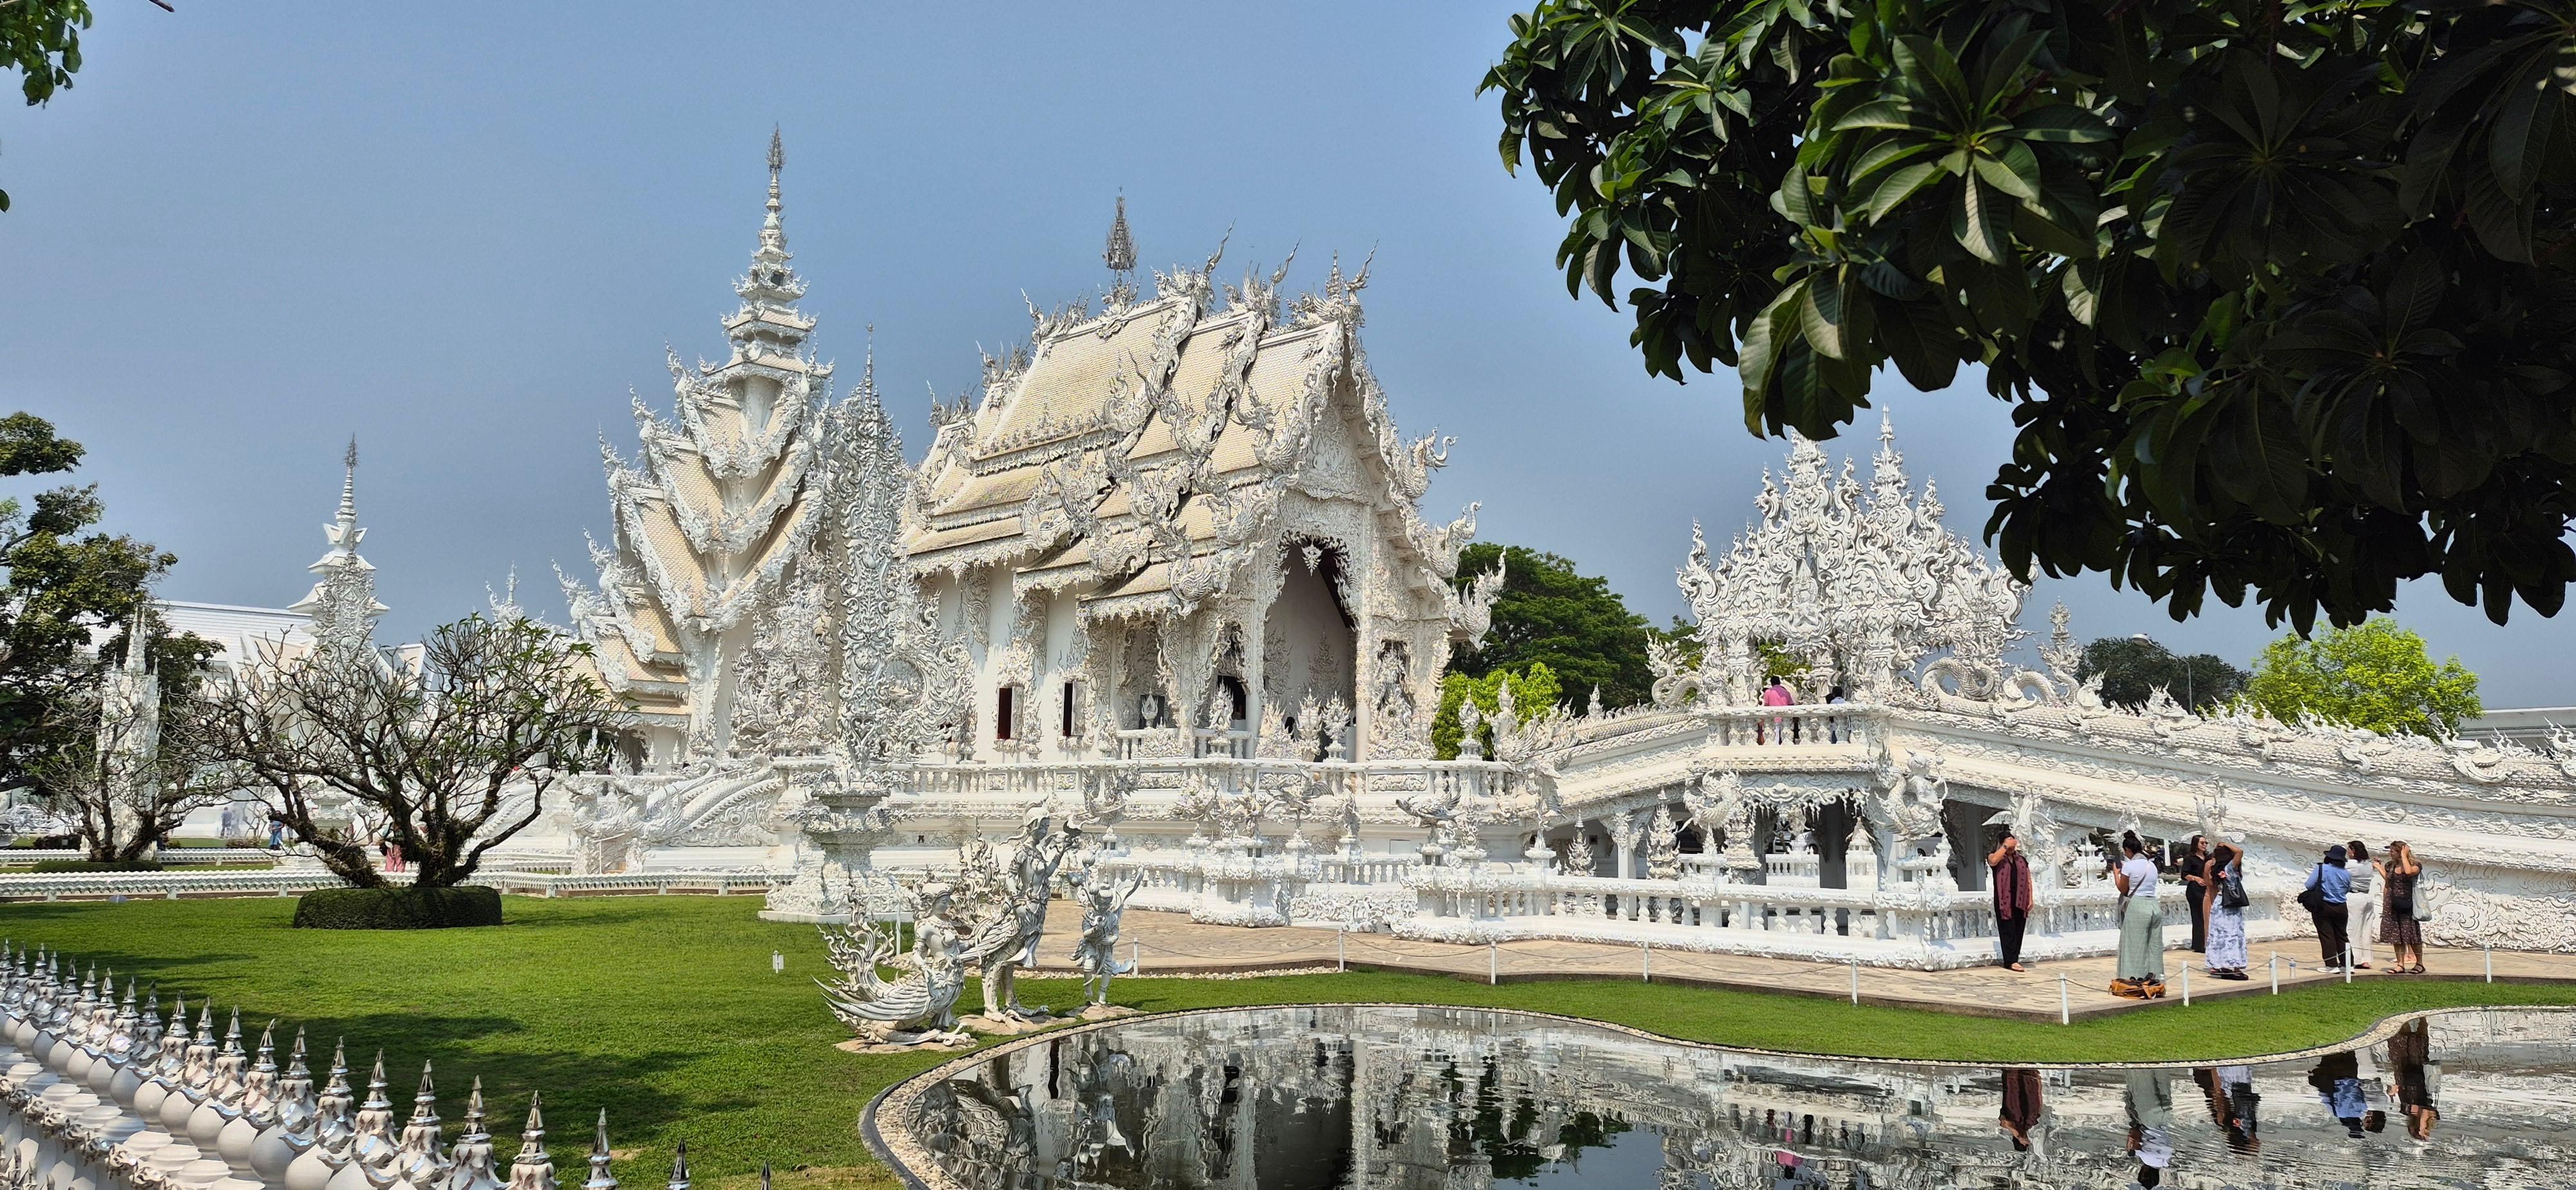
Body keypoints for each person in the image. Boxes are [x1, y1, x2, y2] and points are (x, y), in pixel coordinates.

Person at [2112, 830, 2166, 997]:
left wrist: (2116, 874)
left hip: (2138, 905)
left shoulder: (2129, 866)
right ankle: (2155, 977)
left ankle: (2133, 979)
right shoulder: (2152, 865)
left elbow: (2123, 888)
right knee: (2154, 944)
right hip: (2154, 905)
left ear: (2128, 851)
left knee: (2134, 945)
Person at [2387, 1015, 2439, 1138]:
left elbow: (2399, 1087)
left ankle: (2401, 1014)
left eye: (2424, 1131)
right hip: (2420, 1068)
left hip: (2404, 1064)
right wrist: (2427, 1118)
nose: (2428, 1129)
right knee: (2421, 1039)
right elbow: (2431, 1107)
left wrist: (2393, 1089)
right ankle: (2422, 1013)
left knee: (2402, 1036)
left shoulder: (2407, 1109)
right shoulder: (2429, 1116)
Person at [1989, 831, 2034, 972]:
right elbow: (1993, 861)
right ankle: (2010, 961)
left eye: (2013, 841)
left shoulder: (2021, 860)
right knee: (2007, 929)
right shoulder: (1996, 857)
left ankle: (2016, 958)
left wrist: (2031, 897)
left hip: (2020, 898)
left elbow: (2028, 879)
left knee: (2019, 928)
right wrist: (2004, 847)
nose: (2012, 845)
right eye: (2009, 842)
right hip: (2004, 900)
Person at [2303, 844, 2353, 970]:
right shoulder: (2347, 873)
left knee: (2327, 936)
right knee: (2342, 935)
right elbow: (2347, 889)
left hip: (2324, 905)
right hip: (2341, 906)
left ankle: (2331, 965)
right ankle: (2348, 964)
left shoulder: (2322, 868)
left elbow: (2309, 885)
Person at [2204, 842, 2250, 979]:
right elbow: (2240, 851)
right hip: (2231, 905)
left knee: (2219, 935)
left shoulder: (2215, 869)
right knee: (2232, 935)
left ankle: (2220, 965)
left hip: (2219, 903)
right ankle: (2234, 967)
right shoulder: (2229, 868)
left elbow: (2211, 885)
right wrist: (2226, 844)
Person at [2381, 840, 2427, 974]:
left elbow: (2408, 872)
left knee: (2412, 934)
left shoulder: (2415, 865)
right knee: (2396, 935)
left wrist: (2404, 856)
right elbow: (2388, 883)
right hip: (2393, 902)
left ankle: (2419, 963)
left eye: (2393, 851)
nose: (2390, 853)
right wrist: (2385, 902)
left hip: (2409, 903)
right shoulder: (2390, 866)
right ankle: (2400, 963)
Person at [2308, 1050, 2368, 1138]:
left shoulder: (2363, 1109)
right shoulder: (2337, 1113)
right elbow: (2325, 1097)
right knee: (2330, 1054)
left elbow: (2359, 1093)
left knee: (2350, 1051)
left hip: (2350, 1076)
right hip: (2334, 1077)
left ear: (2360, 1123)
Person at [2346, 840, 2379, 969]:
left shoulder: (2350, 865)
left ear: (2353, 851)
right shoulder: (2368, 865)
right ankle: (2365, 959)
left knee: (2353, 929)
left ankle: (2355, 958)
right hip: (2367, 897)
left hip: (2354, 897)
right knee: (2366, 930)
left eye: (2349, 849)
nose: (2347, 852)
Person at [1998, 1067, 2043, 1152]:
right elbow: (2039, 1105)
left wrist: (2017, 1135)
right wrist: (2039, 1083)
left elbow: (2005, 1121)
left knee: (2014, 1074)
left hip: (2013, 1091)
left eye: (2024, 1143)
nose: (2027, 1141)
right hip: (2030, 1090)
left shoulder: (2007, 1125)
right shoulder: (2032, 1124)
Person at [2181, 834, 2212, 953]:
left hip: (2207, 889)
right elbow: (2184, 874)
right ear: (2196, 844)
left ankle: (2207, 941)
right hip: (2195, 889)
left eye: (2206, 843)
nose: (2204, 845)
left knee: (2207, 915)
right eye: (2202, 843)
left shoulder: (2208, 858)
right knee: (2198, 916)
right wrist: (2196, 878)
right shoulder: (2190, 858)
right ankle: (2200, 945)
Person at [1759, 675, 1794, 742]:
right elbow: (1791, 704)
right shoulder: (1786, 692)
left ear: (1772, 683)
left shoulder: (1768, 692)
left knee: (1775, 738)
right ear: (1779, 683)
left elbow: (1766, 705)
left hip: (1773, 718)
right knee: (1787, 738)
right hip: (1786, 718)